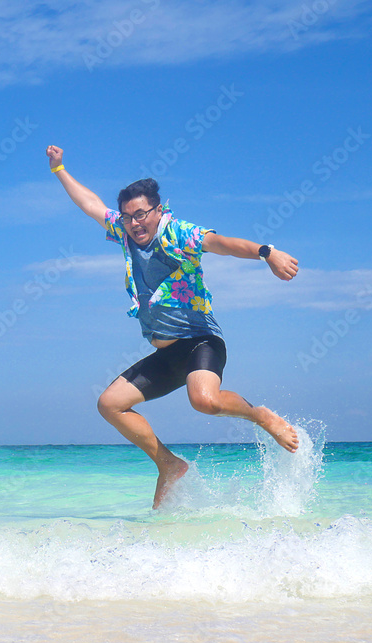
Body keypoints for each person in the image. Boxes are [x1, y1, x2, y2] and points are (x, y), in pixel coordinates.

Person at [46, 145, 300, 509]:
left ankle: (260, 415)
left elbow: (222, 244)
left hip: (200, 341)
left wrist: (266, 252)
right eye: (128, 216)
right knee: (109, 404)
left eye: (141, 214)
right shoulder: (123, 232)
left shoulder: (179, 233)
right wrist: (60, 169)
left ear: (157, 210)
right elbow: (89, 203)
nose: (135, 223)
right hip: (166, 352)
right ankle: (169, 465)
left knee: (205, 401)